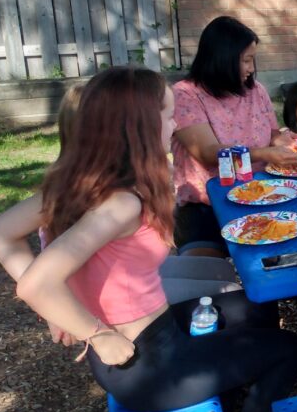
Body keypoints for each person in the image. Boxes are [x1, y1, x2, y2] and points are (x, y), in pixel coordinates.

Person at [0, 66, 297, 412]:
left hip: (142, 348)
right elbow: (37, 283)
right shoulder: (123, 202)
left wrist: (62, 313)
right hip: (148, 366)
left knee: (244, 308)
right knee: (286, 349)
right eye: (168, 115)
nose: (174, 126)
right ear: (139, 124)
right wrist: (92, 330)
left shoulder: (82, 181)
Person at [51, 82, 242, 303]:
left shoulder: (130, 174)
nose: (176, 123)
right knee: (234, 296)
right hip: (121, 292)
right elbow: (44, 271)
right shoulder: (107, 195)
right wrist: (60, 309)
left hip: (137, 270)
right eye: (167, 116)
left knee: (222, 271)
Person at [172, 16, 297, 256]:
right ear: (223, 59)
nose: (252, 68)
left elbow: (271, 133)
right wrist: (263, 153)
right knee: (207, 274)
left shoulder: (255, 90)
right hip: (206, 204)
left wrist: (281, 140)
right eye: (246, 60)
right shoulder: (186, 95)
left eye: (253, 60)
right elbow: (208, 152)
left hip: (262, 195)